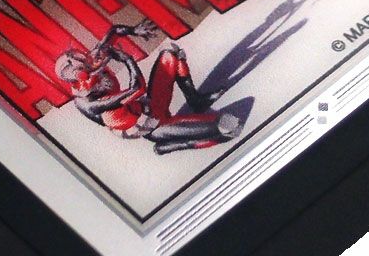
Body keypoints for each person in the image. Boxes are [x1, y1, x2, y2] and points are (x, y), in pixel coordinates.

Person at [55, 20, 242, 155]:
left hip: (148, 105)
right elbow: (138, 88)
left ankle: (195, 100)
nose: (93, 59)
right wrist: (127, 59)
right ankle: (170, 145)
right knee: (228, 127)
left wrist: (134, 30)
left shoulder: (91, 61)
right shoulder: (89, 102)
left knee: (171, 53)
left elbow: (115, 30)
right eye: (88, 63)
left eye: (87, 57)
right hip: (148, 126)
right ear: (80, 77)